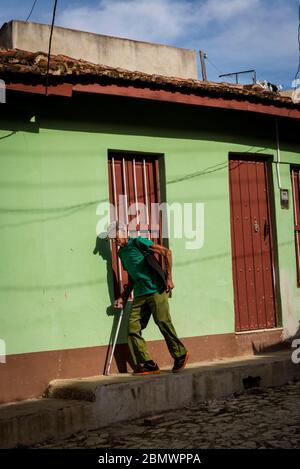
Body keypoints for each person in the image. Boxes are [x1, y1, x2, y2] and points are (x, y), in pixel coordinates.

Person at [108, 221, 188, 376]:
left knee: (163, 322)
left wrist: (169, 278)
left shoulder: (138, 242)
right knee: (132, 329)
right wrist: (123, 297)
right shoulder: (121, 253)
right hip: (139, 294)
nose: (114, 241)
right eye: (112, 238)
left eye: (115, 236)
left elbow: (167, 252)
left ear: (124, 232)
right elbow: (132, 277)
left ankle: (180, 354)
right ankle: (148, 363)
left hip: (156, 290)